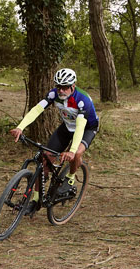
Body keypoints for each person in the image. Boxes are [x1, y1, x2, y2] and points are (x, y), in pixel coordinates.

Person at [9, 68, 99, 198]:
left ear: (73, 86)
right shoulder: (54, 94)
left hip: (86, 128)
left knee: (77, 153)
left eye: (65, 87)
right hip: (67, 127)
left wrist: (72, 151)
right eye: (58, 87)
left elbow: (80, 127)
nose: (61, 90)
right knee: (44, 160)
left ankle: (70, 178)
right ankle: (35, 200)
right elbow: (37, 109)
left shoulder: (82, 100)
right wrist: (20, 127)